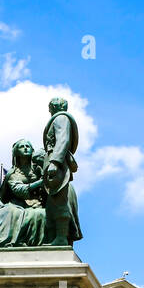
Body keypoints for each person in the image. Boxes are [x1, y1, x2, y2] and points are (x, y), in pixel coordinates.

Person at [41, 98, 83, 247]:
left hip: (57, 163)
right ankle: (58, 237)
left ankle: (61, 238)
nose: (49, 111)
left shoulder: (60, 118)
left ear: (53, 106)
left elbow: (62, 140)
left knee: (59, 200)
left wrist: (55, 162)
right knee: (54, 201)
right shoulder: (61, 118)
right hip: (56, 161)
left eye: (49, 107)